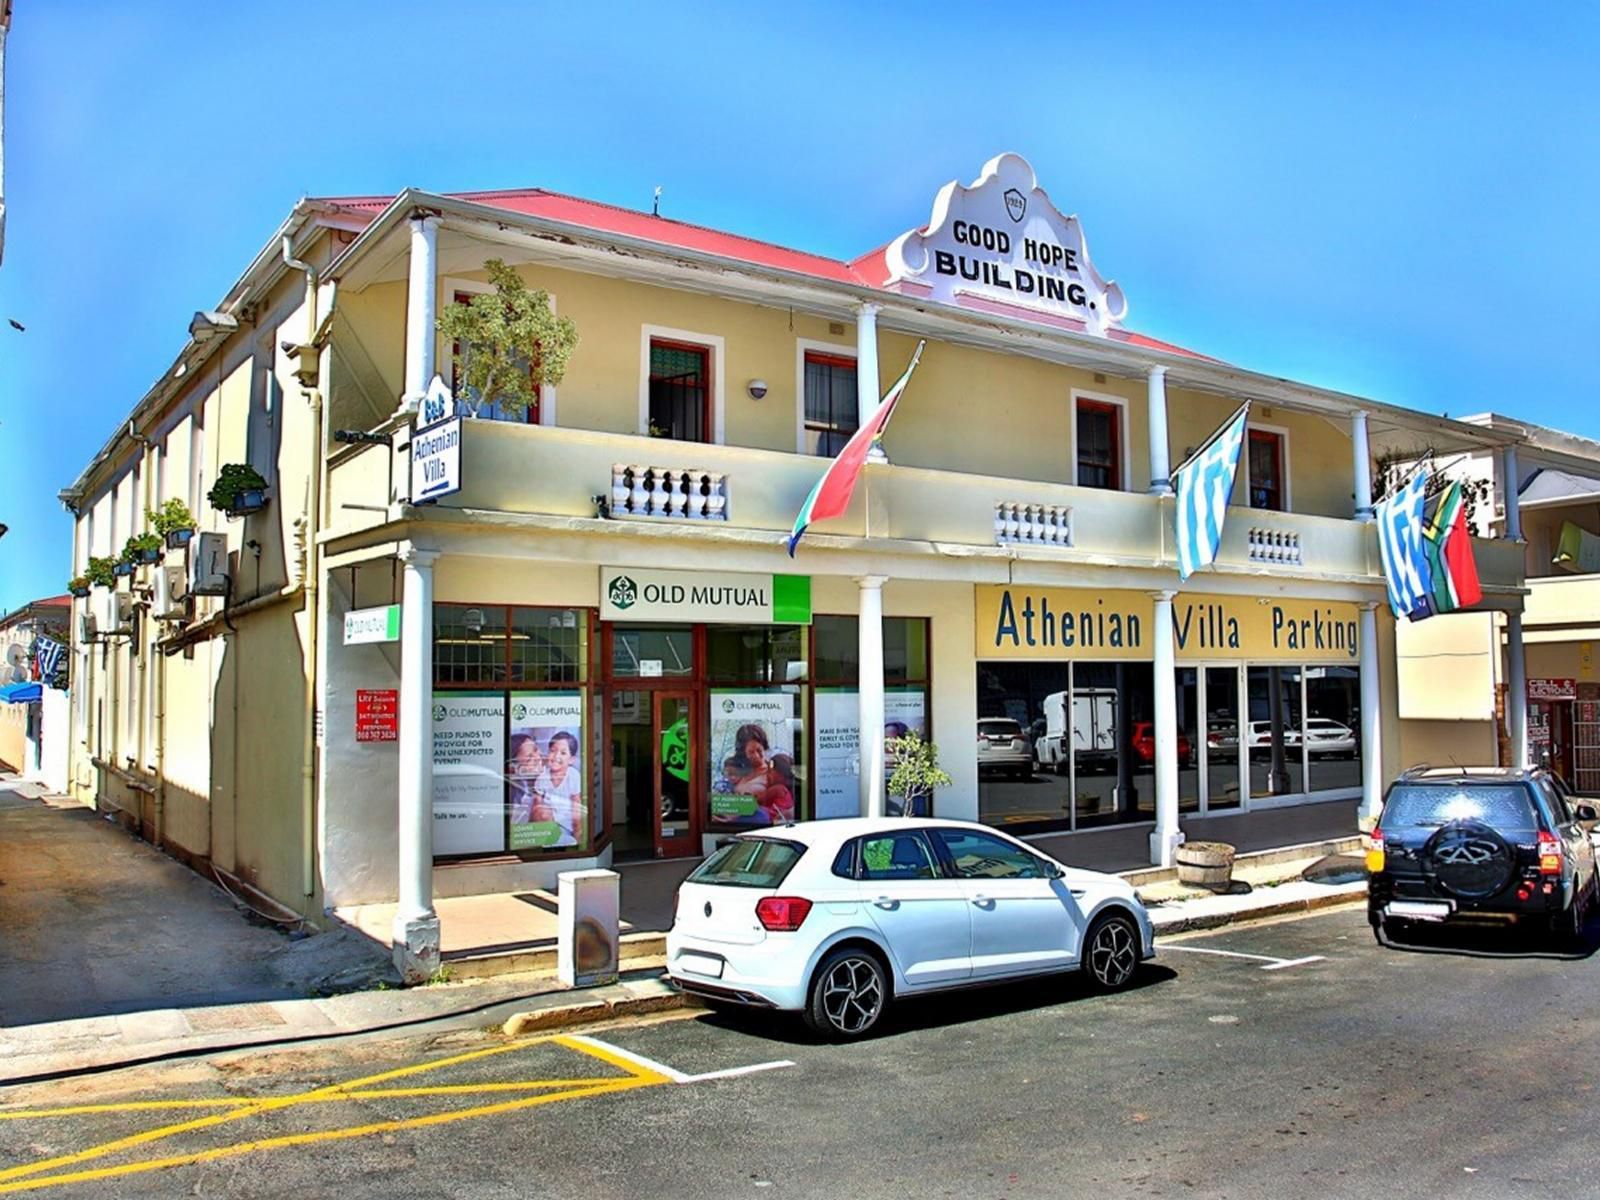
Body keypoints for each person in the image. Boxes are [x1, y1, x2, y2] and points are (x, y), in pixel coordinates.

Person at [529, 731, 583, 847]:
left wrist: (577, 834)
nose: (556, 756)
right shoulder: (542, 778)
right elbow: (536, 806)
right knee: (542, 810)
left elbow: (576, 807)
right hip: (548, 826)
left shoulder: (573, 776)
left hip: (567, 827)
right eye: (553, 751)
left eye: (563, 753)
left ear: (571, 759)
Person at [507, 734, 544, 824]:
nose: (538, 757)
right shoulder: (518, 804)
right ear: (514, 769)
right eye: (529, 759)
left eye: (536, 749)